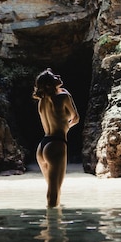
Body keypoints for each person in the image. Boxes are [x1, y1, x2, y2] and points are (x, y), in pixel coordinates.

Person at [32, 68, 80, 207]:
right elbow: (75, 118)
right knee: (54, 191)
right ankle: (53, 224)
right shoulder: (64, 96)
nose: (58, 76)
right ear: (48, 84)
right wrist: (66, 126)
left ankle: (51, 223)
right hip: (56, 144)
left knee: (53, 189)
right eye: (53, 77)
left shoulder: (41, 102)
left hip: (42, 145)